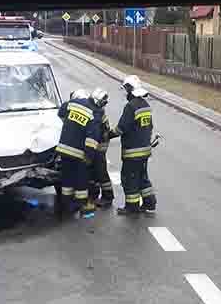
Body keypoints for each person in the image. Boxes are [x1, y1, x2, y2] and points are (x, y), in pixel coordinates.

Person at [110, 75, 157, 215]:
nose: (125, 93)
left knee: (129, 179)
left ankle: (132, 207)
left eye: (125, 89)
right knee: (142, 177)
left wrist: (107, 135)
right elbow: (150, 127)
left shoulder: (130, 107)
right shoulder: (146, 106)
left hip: (132, 153)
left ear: (130, 90)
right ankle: (150, 203)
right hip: (145, 152)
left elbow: (121, 128)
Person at [56, 88, 100, 217]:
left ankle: (66, 203)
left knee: (67, 177)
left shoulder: (70, 104)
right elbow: (92, 138)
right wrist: (89, 156)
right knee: (81, 179)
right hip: (79, 153)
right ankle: (82, 205)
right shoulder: (93, 113)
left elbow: (60, 113)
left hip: (64, 149)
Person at [89, 88, 114, 208]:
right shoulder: (96, 110)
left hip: (100, 145)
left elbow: (102, 131)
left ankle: (107, 197)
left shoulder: (98, 112)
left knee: (101, 171)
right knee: (94, 170)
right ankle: (94, 194)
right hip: (98, 143)